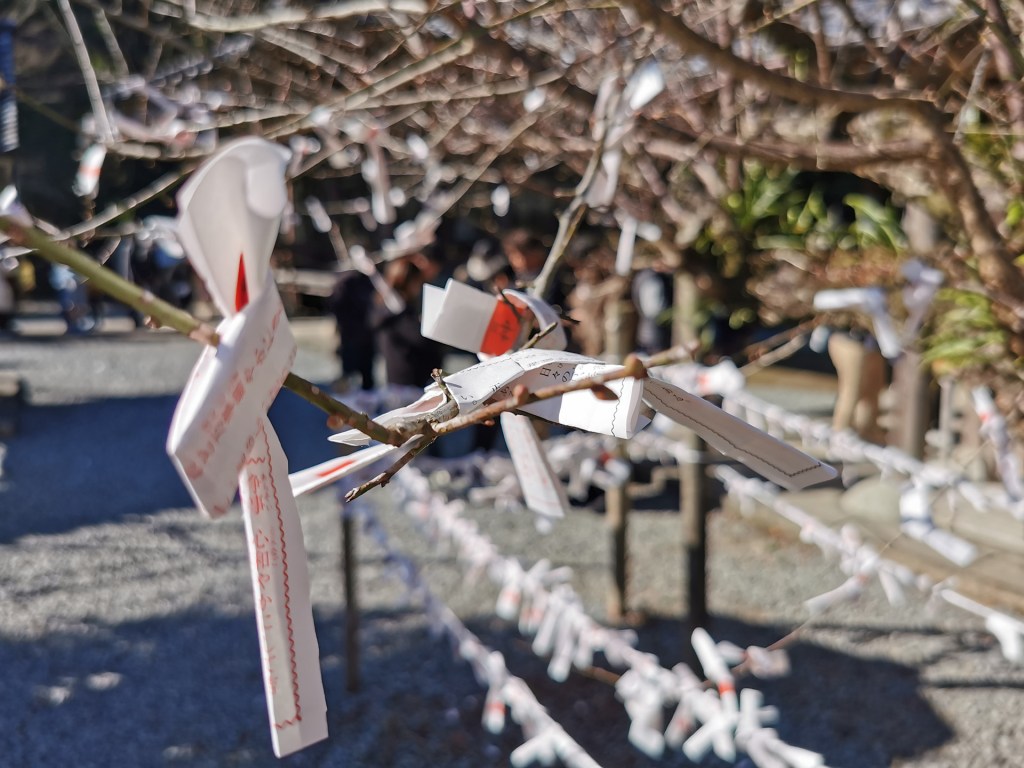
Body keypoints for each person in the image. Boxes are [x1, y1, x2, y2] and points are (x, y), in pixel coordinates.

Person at [372, 255, 443, 388]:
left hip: (406, 381)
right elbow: (420, 339)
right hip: (408, 383)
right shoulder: (396, 314)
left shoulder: (388, 310)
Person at [328, 271, 376, 391]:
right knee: (349, 379)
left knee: (366, 379)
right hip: (351, 337)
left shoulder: (368, 279)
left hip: (364, 338)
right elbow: (335, 306)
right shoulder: (346, 282)